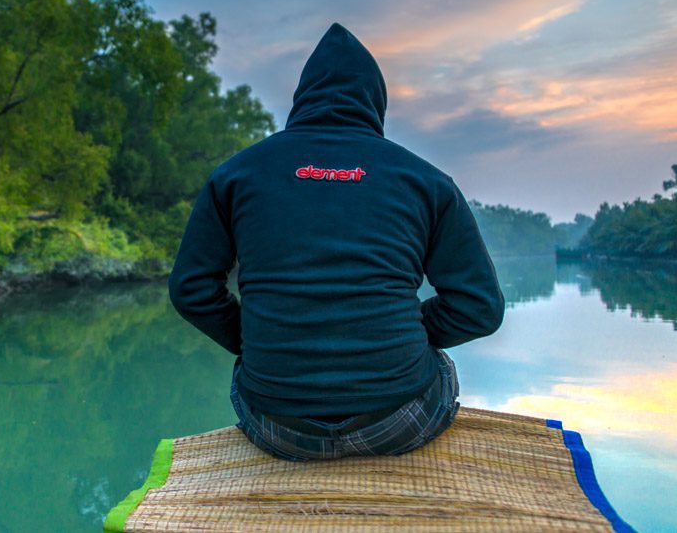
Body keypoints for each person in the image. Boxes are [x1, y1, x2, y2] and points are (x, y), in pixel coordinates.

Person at [168, 23, 505, 461]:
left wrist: (252, 339)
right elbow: (480, 308)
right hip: (399, 420)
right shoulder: (426, 181)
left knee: (251, 375)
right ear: (375, 101)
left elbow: (189, 290)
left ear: (302, 97)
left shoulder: (238, 175)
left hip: (276, 425)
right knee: (438, 369)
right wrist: (414, 333)